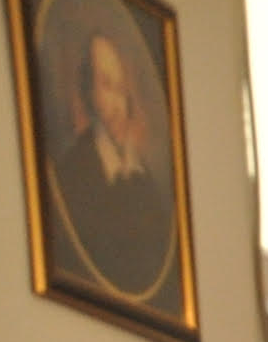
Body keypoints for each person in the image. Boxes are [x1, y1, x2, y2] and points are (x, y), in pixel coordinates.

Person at [47, 26, 176, 304]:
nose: (118, 104)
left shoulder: (145, 182)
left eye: (120, 89)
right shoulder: (71, 173)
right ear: (88, 92)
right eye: (106, 85)